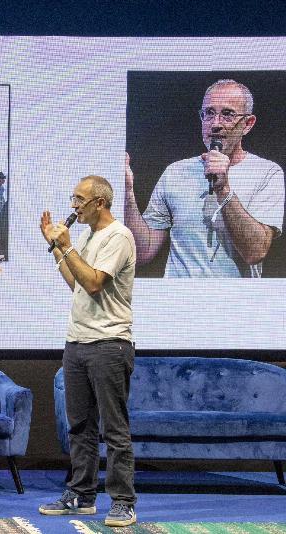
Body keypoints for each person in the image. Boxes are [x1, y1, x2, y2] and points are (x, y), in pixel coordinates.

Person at [38, 176, 137, 528]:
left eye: (79, 199)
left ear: (100, 202)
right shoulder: (87, 235)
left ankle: (123, 501)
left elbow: (94, 283)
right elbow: (75, 281)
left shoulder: (119, 236)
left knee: (114, 428)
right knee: (79, 426)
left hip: (109, 343)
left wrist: (66, 247)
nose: (73, 206)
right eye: (72, 198)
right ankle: (81, 495)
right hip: (77, 341)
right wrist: (55, 247)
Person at [125, 79, 284, 277]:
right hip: (179, 301)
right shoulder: (175, 172)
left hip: (237, 302)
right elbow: (143, 252)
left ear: (247, 124)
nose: (215, 124)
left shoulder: (267, 173)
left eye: (227, 114)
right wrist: (127, 192)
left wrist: (223, 189)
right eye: (209, 113)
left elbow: (256, 252)